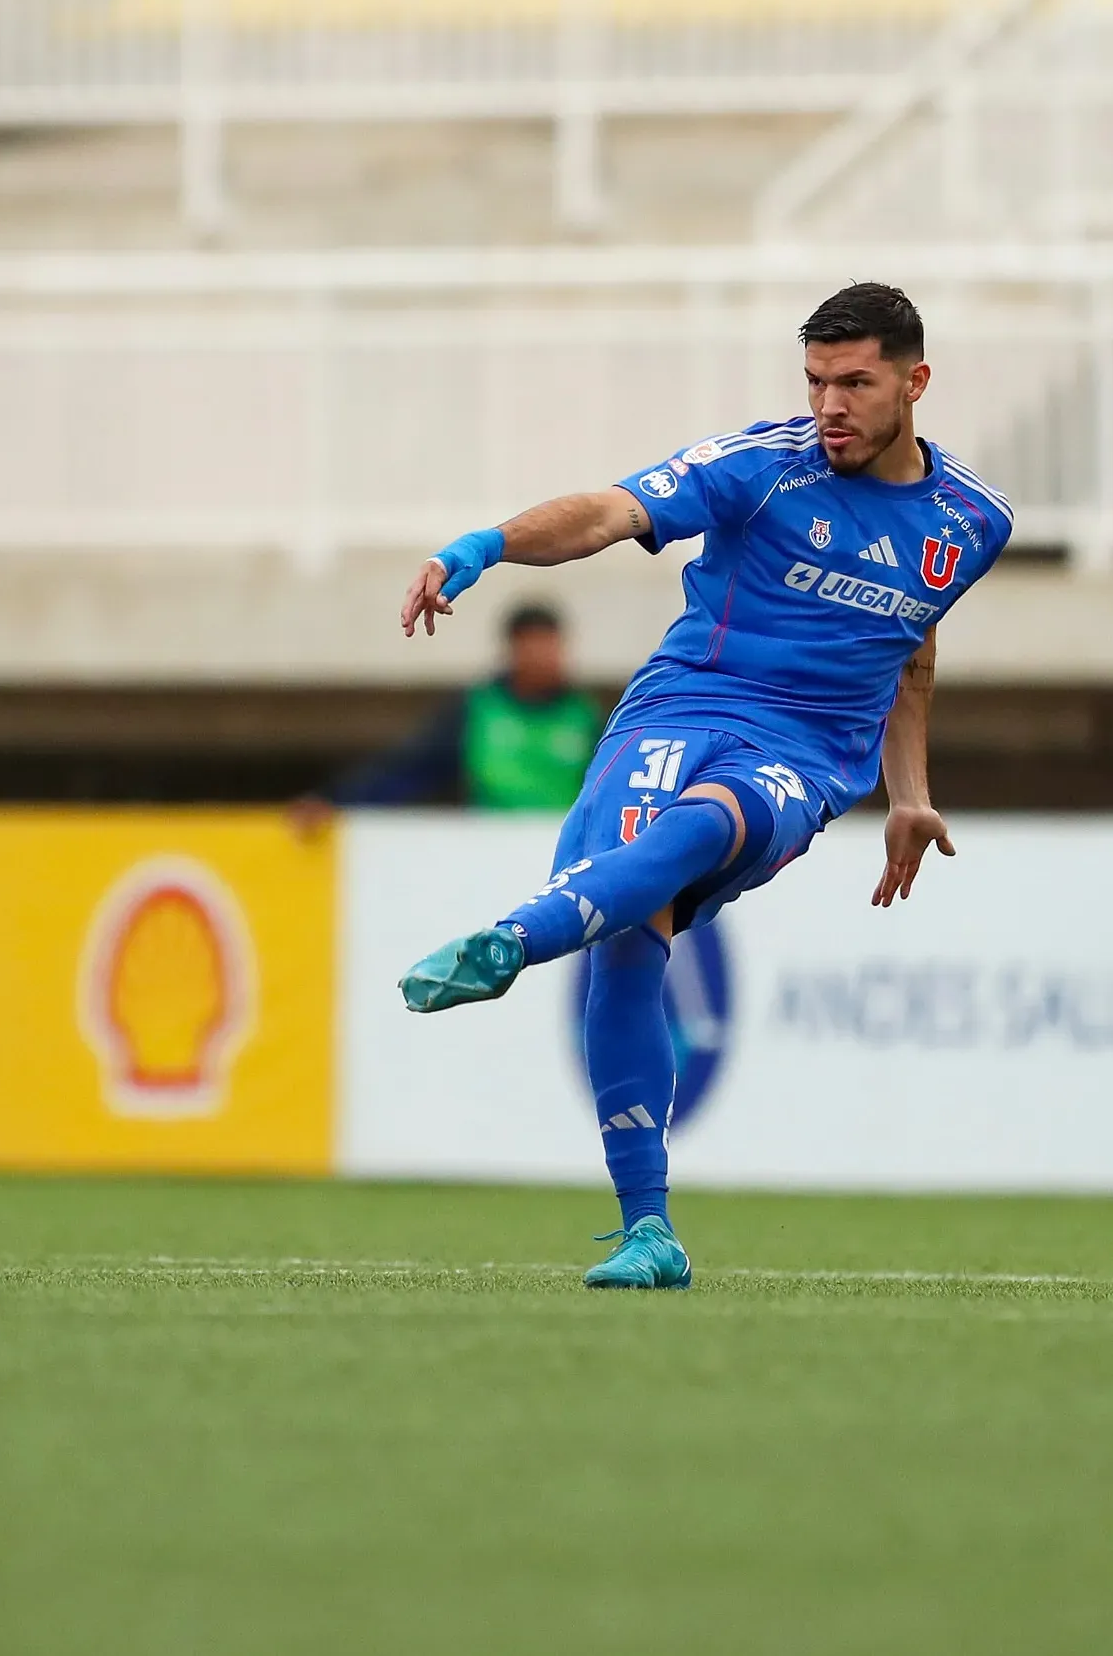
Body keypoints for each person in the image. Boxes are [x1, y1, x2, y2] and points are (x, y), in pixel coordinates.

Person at [396, 282, 1013, 1291]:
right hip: (678, 710)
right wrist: (480, 546)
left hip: (808, 750)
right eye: (817, 381)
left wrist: (908, 787)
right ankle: (651, 1233)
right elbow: (610, 509)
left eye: (856, 382)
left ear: (916, 382)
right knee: (632, 941)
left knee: (713, 823)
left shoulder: (974, 521)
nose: (831, 406)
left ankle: (517, 936)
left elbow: (911, 643)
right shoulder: (763, 467)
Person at [309, 602, 602, 813]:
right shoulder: (477, 711)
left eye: (551, 648)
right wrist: (333, 802)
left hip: (560, 861)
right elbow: (411, 769)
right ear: (513, 650)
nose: (544, 660)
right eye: (534, 649)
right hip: (487, 857)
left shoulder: (586, 718)